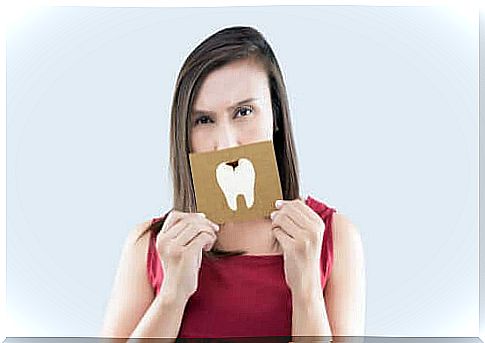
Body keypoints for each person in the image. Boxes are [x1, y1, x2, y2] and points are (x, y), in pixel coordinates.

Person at [100, 26, 366, 340]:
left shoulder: (333, 236)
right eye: (203, 120)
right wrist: (172, 295)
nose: (226, 143)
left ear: (275, 115)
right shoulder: (149, 245)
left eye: (243, 112)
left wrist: (306, 289)